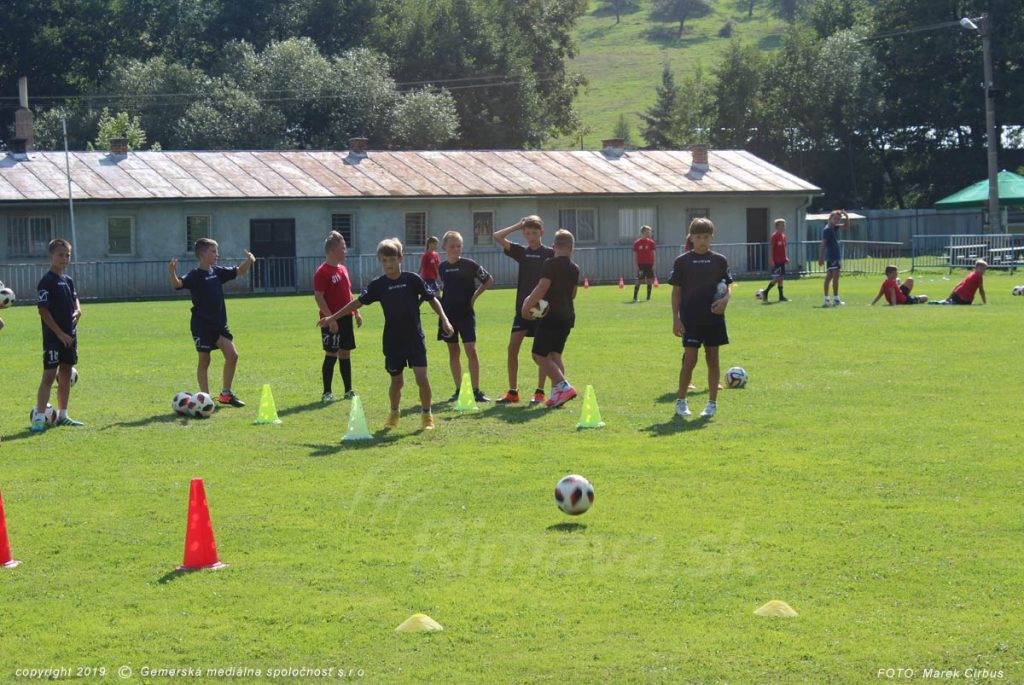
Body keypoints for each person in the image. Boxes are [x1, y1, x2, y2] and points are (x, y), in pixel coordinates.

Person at [320, 238, 453, 431]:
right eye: (384, 261)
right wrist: (332, 317)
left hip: (415, 338)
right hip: (393, 341)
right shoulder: (378, 285)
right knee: (396, 382)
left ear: (400, 258)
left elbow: (432, 299)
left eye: (392, 260)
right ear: (380, 261)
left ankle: (426, 415)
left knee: (422, 378)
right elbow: (357, 302)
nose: (388, 264)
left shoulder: (412, 280)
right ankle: (394, 412)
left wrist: (445, 319)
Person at [168, 238, 255, 407]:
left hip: (219, 324)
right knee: (204, 360)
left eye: (217, 251)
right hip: (202, 325)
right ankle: (205, 398)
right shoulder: (195, 275)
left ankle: (225, 395)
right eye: (213, 251)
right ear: (202, 255)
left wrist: (249, 261)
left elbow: (239, 271)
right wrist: (172, 272)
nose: (217, 254)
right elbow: (178, 284)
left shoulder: (217, 272)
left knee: (232, 355)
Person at [669, 218, 733, 419]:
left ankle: (711, 404)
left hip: (714, 319)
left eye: (706, 236)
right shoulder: (682, 262)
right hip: (691, 319)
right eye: (698, 237)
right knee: (690, 360)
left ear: (712, 237)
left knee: (713, 359)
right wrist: (676, 319)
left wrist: (724, 301)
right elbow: (676, 293)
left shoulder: (719, 260)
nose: (702, 240)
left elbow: (726, 287)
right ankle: (681, 401)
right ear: (691, 238)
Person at [493, 215, 554, 404]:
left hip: (541, 307)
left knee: (542, 352)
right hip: (522, 307)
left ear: (541, 232)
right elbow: (497, 236)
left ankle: (540, 392)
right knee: (512, 348)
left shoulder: (550, 253)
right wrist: (518, 225)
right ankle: (513, 392)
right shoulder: (522, 252)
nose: (531, 236)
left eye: (534, 233)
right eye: (527, 233)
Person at [521, 229, 580, 408]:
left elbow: (542, 287)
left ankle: (563, 386)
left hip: (551, 315)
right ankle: (557, 395)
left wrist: (527, 305)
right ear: (571, 248)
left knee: (538, 354)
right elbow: (573, 294)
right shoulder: (575, 268)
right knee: (555, 355)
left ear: (554, 246)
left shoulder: (550, 263)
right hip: (567, 315)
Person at [31, 238, 83, 431]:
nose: (64, 258)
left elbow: (75, 298)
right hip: (54, 338)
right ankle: (39, 418)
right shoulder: (47, 281)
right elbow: (43, 311)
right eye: (60, 255)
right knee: (49, 376)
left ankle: (63, 415)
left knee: (66, 374)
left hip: (70, 335)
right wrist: (60, 334)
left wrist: (78, 310)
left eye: (67, 255)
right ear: (51, 256)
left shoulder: (68, 280)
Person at [437, 230, 494, 402]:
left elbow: (489, 279)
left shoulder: (469, 264)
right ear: (444, 248)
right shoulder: (442, 267)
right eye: (452, 246)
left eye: (458, 246)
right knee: (453, 351)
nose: (456, 249)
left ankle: (476, 390)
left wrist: (474, 297)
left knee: (471, 350)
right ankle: (459, 390)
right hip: (448, 316)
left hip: (466, 314)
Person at [313, 231, 362, 402]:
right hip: (331, 320)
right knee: (331, 353)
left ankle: (348, 390)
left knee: (345, 353)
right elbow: (319, 297)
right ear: (333, 250)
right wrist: (330, 318)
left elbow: (348, 292)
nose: (345, 251)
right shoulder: (322, 272)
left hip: (346, 317)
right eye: (343, 248)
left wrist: (356, 312)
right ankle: (327, 392)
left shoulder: (343, 269)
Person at [817, 210, 849, 307]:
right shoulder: (828, 229)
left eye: (838, 219)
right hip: (833, 256)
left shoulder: (833, 227)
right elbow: (823, 243)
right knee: (835, 278)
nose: (837, 220)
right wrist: (821, 257)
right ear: (830, 218)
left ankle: (826, 299)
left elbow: (845, 226)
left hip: (832, 256)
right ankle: (836, 299)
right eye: (835, 218)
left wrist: (846, 217)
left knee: (829, 277)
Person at [759, 219, 790, 303]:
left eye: (784, 225)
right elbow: (771, 248)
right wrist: (771, 259)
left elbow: (784, 248)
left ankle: (781, 296)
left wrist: (785, 257)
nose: (784, 227)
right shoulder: (774, 236)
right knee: (777, 278)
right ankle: (765, 291)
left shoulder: (783, 236)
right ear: (777, 226)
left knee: (781, 278)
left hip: (782, 260)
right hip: (777, 260)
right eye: (782, 225)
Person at [632, 225, 657, 302]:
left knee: (649, 280)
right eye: (647, 232)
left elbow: (654, 254)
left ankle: (648, 298)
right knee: (639, 280)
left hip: (649, 264)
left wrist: (654, 264)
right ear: (642, 232)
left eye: (649, 232)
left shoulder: (651, 242)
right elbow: (635, 255)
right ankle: (635, 297)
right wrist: (636, 265)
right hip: (641, 265)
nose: (649, 234)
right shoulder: (637, 243)